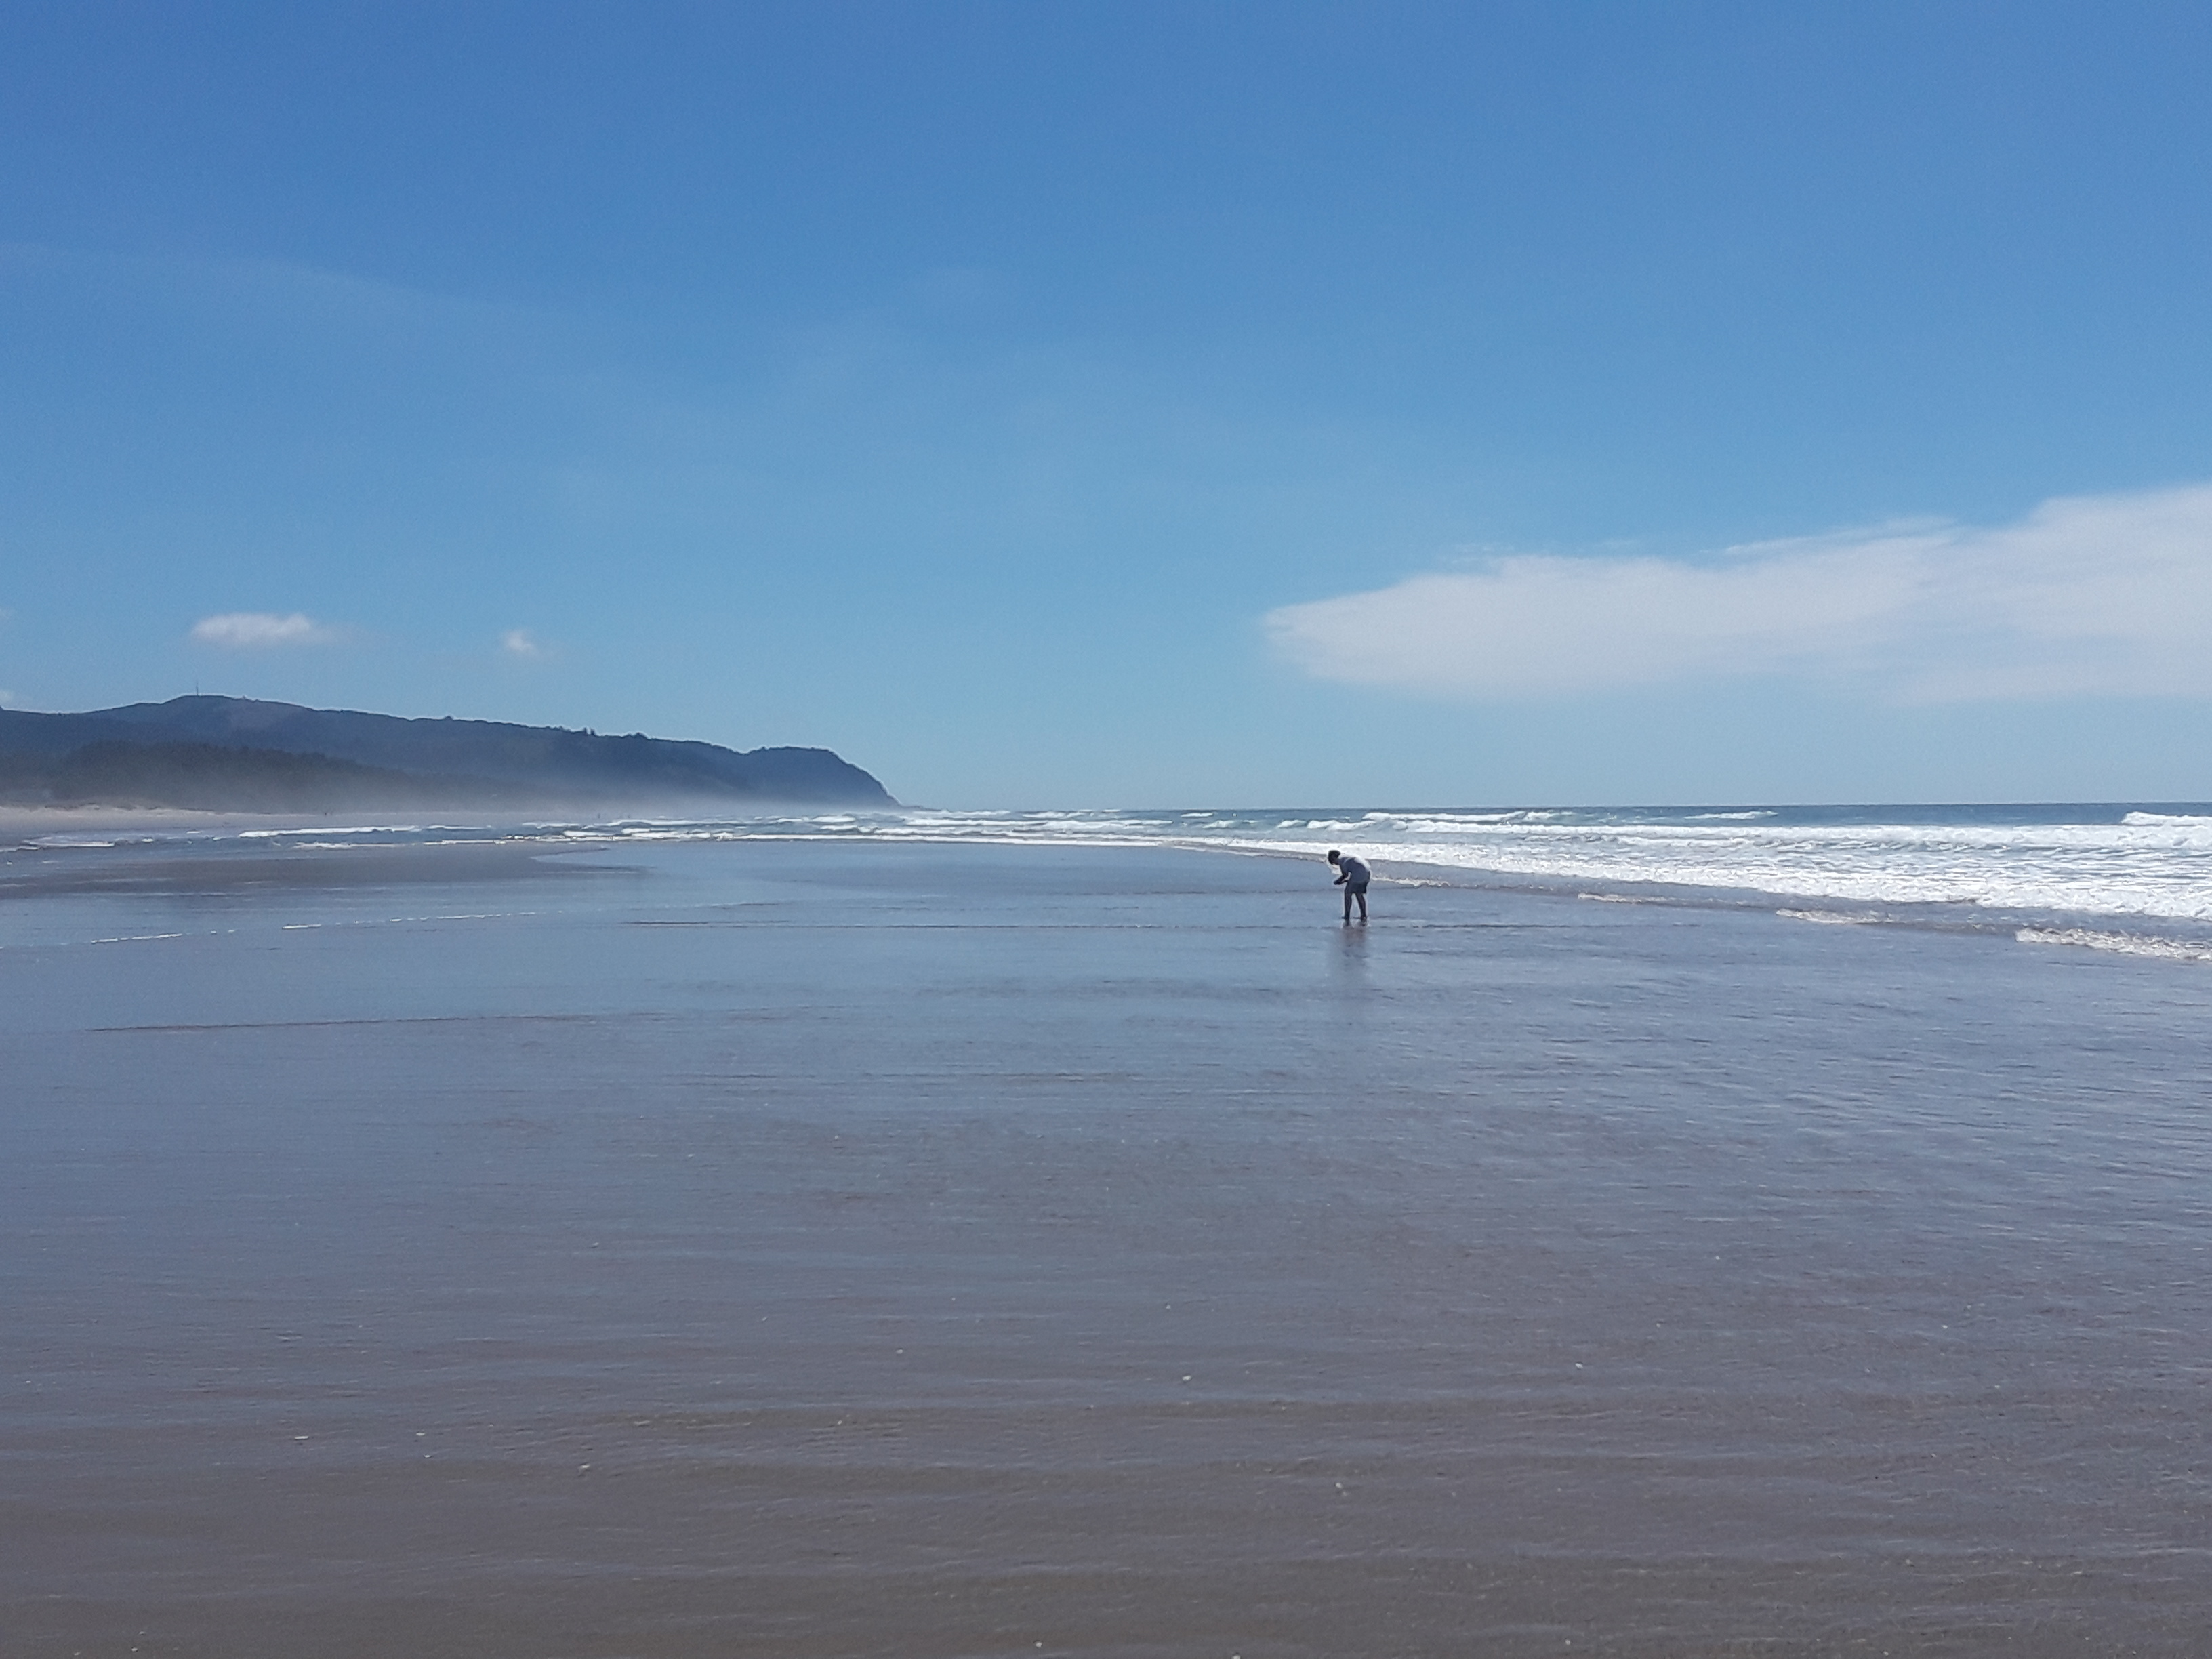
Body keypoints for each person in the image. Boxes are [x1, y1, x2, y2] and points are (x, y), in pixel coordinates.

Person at [1326, 849, 1370, 922]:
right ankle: (1364, 914)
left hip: (1358, 874)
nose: (1335, 864)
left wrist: (1337, 882)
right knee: (1359, 894)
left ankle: (1347, 915)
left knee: (1347, 893)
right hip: (1367, 873)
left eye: (1333, 861)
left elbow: (1345, 875)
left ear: (1334, 857)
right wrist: (1344, 881)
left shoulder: (1341, 861)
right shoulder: (1347, 857)